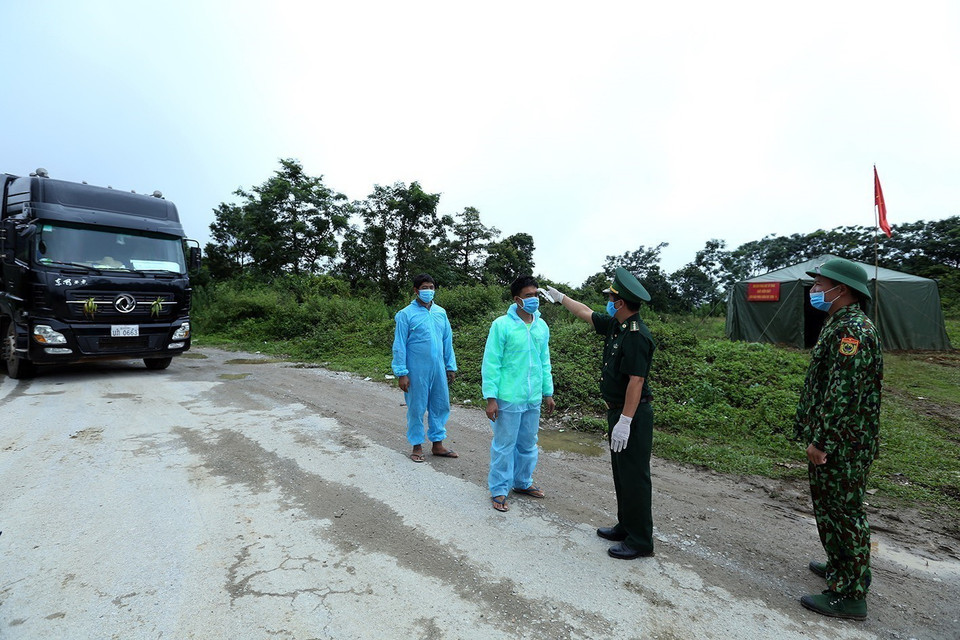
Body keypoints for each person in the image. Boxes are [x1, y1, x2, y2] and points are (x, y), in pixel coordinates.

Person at [542, 268, 656, 559]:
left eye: (612, 298)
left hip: (632, 415)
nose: (608, 302)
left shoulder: (636, 336)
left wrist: (626, 422)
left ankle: (641, 541)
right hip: (617, 413)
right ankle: (626, 526)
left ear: (620, 303)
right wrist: (561, 297)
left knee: (635, 476)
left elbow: (636, 381)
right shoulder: (617, 326)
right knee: (622, 473)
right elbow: (586, 313)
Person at [794, 257, 882, 621]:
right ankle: (842, 567)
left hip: (842, 445)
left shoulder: (853, 333)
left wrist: (822, 441)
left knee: (844, 514)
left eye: (819, 284)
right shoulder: (839, 324)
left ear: (840, 289)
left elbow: (842, 394)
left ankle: (850, 595)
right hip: (837, 440)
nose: (814, 290)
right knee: (831, 510)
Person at [482, 275, 556, 513]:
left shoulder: (541, 326)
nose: (534, 299)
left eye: (536, 294)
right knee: (504, 444)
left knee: (528, 443)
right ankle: (500, 489)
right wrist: (491, 398)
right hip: (509, 396)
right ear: (517, 299)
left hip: (532, 397)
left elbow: (544, 361)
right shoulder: (501, 325)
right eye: (528, 295)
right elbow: (492, 362)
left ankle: (522, 482)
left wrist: (548, 392)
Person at [391, 274, 458, 463]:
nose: (428, 291)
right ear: (416, 290)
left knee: (440, 404)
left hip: (438, 367)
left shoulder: (440, 313)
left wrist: (450, 366)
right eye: (424, 287)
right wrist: (402, 373)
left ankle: (438, 444)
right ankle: (417, 446)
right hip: (415, 369)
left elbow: (447, 341)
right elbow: (399, 345)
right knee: (416, 407)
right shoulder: (405, 314)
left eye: (431, 287)